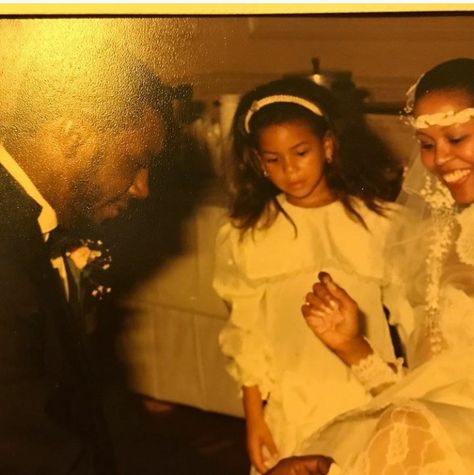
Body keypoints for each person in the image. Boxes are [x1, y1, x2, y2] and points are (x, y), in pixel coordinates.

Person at [268, 57, 474, 474]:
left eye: (456, 137)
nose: (440, 160)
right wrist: (351, 345)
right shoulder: (437, 239)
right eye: (428, 145)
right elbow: (419, 392)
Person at [212, 76, 403, 474]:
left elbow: (409, 318)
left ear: (328, 146)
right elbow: (246, 332)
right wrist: (254, 418)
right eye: (273, 159)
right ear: (257, 162)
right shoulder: (250, 232)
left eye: (300, 153)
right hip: (292, 405)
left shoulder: (380, 222)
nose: (290, 170)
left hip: (366, 396)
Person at [0, 32, 167, 474]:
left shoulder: (31, 225)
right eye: (136, 161)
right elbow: (30, 449)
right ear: (73, 136)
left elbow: (93, 418)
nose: (143, 189)